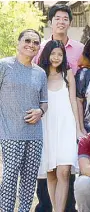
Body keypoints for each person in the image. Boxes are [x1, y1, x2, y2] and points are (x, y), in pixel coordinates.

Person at [33, 6, 84, 211]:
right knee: (51, 172)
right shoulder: (40, 74)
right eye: (53, 54)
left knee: (64, 171)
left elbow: (74, 100)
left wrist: (79, 128)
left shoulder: (68, 73)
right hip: (46, 125)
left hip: (65, 125)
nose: (56, 57)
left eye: (59, 54)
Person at [0, 29, 47, 212]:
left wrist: (40, 111)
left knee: (29, 179)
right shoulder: (4, 66)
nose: (31, 45)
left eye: (36, 43)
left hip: (35, 135)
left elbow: (44, 102)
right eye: (27, 40)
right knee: (10, 177)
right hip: (10, 133)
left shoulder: (40, 73)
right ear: (18, 43)